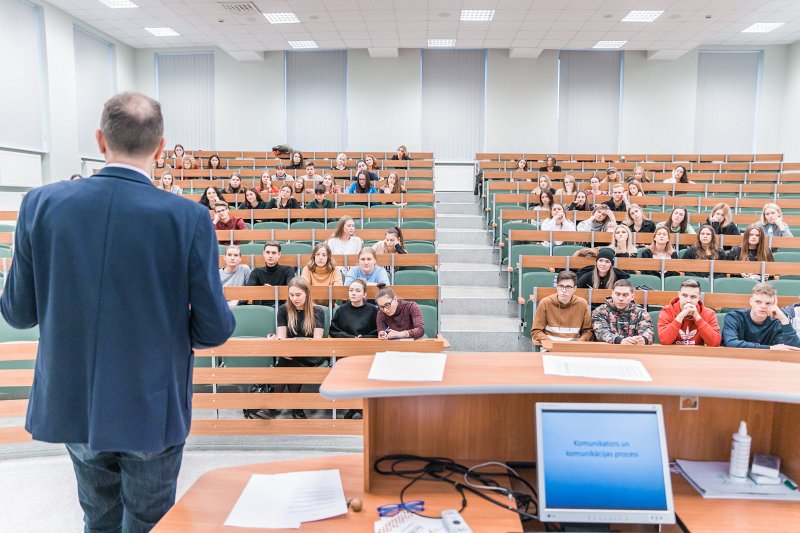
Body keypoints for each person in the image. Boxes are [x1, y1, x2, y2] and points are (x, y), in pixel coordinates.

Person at [0, 92, 234, 532]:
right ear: (161, 147)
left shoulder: (39, 204)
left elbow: (17, 312)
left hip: (73, 400)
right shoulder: (188, 218)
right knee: (150, 521)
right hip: (151, 404)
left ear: (100, 140)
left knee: (98, 517)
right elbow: (213, 328)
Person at [265, 277, 326, 420]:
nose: (294, 298)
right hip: (290, 353)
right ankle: (296, 407)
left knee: (287, 362)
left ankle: (272, 405)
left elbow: (317, 341)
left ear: (307, 293)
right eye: (291, 295)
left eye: (298, 295)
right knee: (289, 360)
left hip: (311, 354)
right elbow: (281, 337)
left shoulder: (318, 311)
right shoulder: (283, 310)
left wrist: (292, 350)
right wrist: (280, 346)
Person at [722, 282, 800, 350]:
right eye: (758, 302)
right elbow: (731, 343)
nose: (763, 306)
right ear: (751, 301)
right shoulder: (734, 317)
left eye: (768, 303)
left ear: (774, 304)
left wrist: (783, 319)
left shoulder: (777, 322)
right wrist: (770, 348)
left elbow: (794, 348)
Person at [530, 270, 593, 350]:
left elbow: (588, 331)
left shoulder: (582, 303)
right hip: (550, 348)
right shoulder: (545, 303)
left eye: (568, 287)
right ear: (556, 287)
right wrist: (551, 344)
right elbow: (536, 331)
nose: (564, 290)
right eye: (561, 286)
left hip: (574, 349)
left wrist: (578, 343)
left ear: (574, 289)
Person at [657, 279, 721, 346]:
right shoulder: (667, 311)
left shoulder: (709, 314)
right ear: (679, 295)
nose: (688, 301)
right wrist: (680, 316)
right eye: (684, 295)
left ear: (699, 298)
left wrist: (697, 317)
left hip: (697, 354)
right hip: (673, 354)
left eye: (693, 297)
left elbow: (715, 343)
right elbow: (664, 340)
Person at [591, 279, 653, 345]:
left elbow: (648, 332)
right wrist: (619, 341)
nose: (621, 298)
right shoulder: (600, 312)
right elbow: (601, 332)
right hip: (608, 352)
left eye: (625, 295)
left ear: (632, 297)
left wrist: (644, 339)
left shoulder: (641, 313)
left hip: (634, 351)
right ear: (612, 294)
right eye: (617, 294)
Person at [246, 241, 295, 306]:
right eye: (267, 252)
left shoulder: (288, 270)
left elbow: (292, 289)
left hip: (282, 307)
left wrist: (271, 290)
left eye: (273, 253)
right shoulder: (256, 271)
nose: (270, 256)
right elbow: (248, 291)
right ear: (264, 254)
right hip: (261, 307)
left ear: (279, 254)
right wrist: (262, 289)